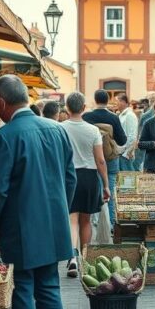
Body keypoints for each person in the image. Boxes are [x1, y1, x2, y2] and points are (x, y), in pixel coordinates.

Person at [0, 75, 75, 309]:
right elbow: (70, 178)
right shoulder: (56, 130)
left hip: (20, 226)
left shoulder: (5, 135)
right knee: (49, 288)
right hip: (54, 223)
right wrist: (59, 211)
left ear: (0, 101)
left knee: (22, 288)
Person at [59, 92, 110, 277]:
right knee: (86, 220)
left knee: (72, 219)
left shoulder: (60, 128)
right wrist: (105, 184)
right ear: (83, 108)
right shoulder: (93, 130)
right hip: (89, 176)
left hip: (68, 176)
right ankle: (85, 258)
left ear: (67, 107)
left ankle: (72, 257)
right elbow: (101, 160)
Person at [83, 90, 127, 227]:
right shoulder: (113, 117)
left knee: (95, 188)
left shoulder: (87, 116)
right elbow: (122, 140)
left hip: (93, 158)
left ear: (95, 100)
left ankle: (95, 222)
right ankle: (112, 224)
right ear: (107, 100)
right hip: (111, 159)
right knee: (111, 189)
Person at [116, 94, 139, 172]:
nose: (116, 104)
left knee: (128, 182)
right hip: (121, 153)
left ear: (123, 102)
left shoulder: (130, 115)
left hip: (125, 154)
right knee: (124, 182)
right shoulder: (122, 115)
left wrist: (126, 153)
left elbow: (132, 136)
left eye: (117, 101)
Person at [134, 94, 155, 170]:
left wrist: (137, 142)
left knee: (138, 164)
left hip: (145, 143)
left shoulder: (146, 115)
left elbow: (140, 130)